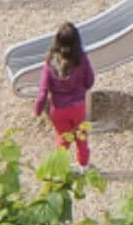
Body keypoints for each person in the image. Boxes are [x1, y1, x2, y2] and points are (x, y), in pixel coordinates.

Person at [34, 22, 96, 171]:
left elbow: (43, 91)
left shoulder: (50, 62)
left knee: (63, 138)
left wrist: (37, 110)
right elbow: (90, 80)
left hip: (58, 109)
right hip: (78, 106)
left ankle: (59, 168)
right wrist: (82, 88)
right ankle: (84, 165)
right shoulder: (81, 59)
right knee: (81, 136)